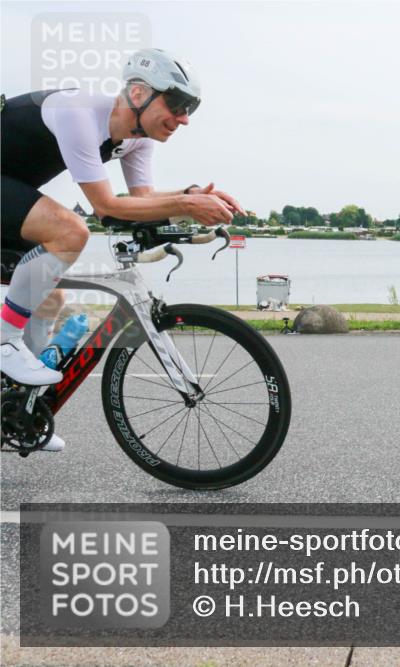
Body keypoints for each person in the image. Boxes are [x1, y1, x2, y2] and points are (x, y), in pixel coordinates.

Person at [0, 48, 244, 451]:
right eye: (177, 104)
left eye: (190, 109)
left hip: (9, 191)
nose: (184, 118)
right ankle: (5, 340)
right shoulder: (79, 113)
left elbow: (141, 202)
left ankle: (19, 415)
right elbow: (106, 207)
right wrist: (186, 204)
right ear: (138, 94)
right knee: (70, 231)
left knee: (49, 298)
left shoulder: (136, 140)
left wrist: (191, 196)